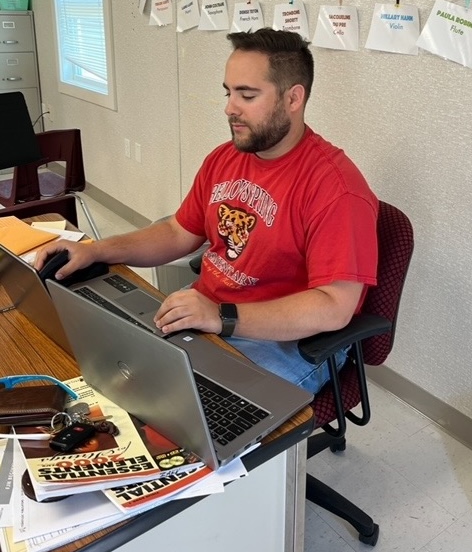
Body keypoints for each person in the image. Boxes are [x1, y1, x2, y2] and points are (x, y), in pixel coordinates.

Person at [35, 29, 379, 394]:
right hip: (210, 313)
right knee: (107, 368)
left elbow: (333, 307)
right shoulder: (226, 158)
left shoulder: (336, 189)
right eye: (228, 92)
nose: (230, 107)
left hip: (287, 341)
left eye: (247, 95)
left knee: (194, 422)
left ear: (294, 98)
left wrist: (222, 317)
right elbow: (177, 232)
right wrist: (94, 250)